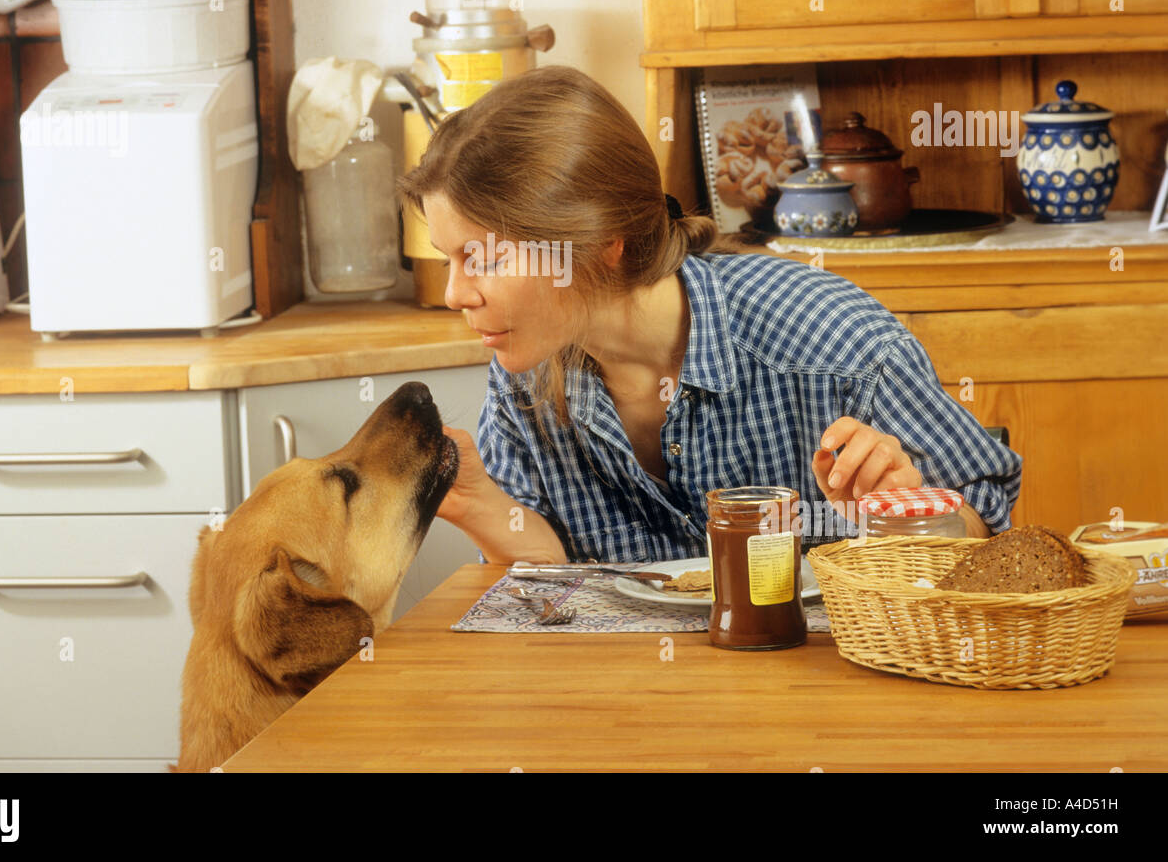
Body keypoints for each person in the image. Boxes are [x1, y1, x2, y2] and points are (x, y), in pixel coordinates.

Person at [395, 65, 1021, 565]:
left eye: (482, 259)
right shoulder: (522, 372)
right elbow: (552, 568)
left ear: (600, 245)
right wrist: (476, 501)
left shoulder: (838, 344)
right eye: (449, 259)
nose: (455, 294)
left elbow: (988, 527)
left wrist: (908, 511)